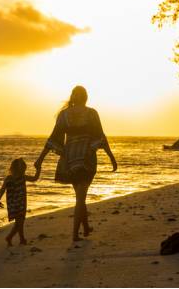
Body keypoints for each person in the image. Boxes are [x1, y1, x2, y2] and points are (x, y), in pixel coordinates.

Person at [34, 86, 117, 242]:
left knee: (80, 196)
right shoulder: (92, 113)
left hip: (70, 160)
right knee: (80, 197)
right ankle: (74, 235)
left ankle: (85, 228)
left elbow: (53, 138)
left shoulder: (64, 115)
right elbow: (101, 136)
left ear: (73, 97)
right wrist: (111, 157)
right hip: (86, 158)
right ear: (86, 97)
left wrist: (40, 159)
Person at [0, 158, 41, 246]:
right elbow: (2, 189)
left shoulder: (22, 177)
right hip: (14, 203)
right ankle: (21, 239)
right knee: (20, 221)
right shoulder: (9, 178)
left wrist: (38, 169)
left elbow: (34, 178)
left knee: (19, 222)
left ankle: (10, 237)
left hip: (20, 203)